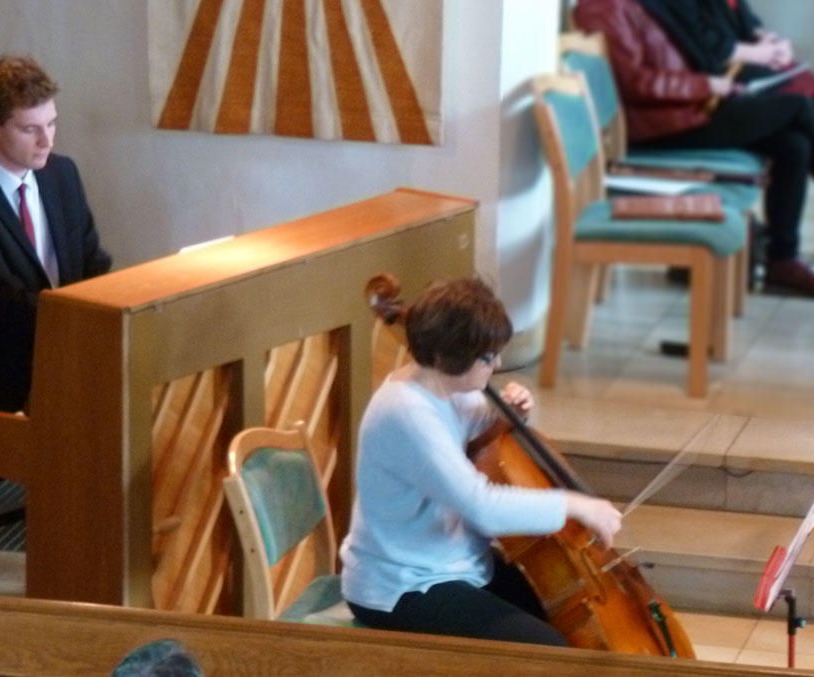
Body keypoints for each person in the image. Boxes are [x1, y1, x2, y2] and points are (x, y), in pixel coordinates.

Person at [339, 277, 622, 646]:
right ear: (450, 357)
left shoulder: (450, 387)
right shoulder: (406, 412)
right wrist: (576, 504)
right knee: (544, 649)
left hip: (458, 562)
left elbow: (486, 437)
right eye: (487, 357)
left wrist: (513, 414)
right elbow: (482, 505)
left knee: (563, 619)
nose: (498, 363)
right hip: (403, 584)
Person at [0, 55, 112, 441]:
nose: (48, 140)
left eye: (52, 123)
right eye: (31, 129)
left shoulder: (62, 174)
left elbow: (93, 264)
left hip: (67, 362)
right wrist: (80, 326)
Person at [574, 0, 814, 296]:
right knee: (798, 107)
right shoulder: (603, 8)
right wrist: (708, 85)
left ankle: (783, 259)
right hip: (661, 126)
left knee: (795, 145)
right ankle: (783, 259)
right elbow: (636, 82)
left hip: (686, 110)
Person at [636, 0, 814, 97]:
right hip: (716, 78)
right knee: (803, 100)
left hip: (743, 65)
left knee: (806, 82)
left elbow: (749, 23)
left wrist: (773, 43)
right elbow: (708, 46)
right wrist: (763, 54)